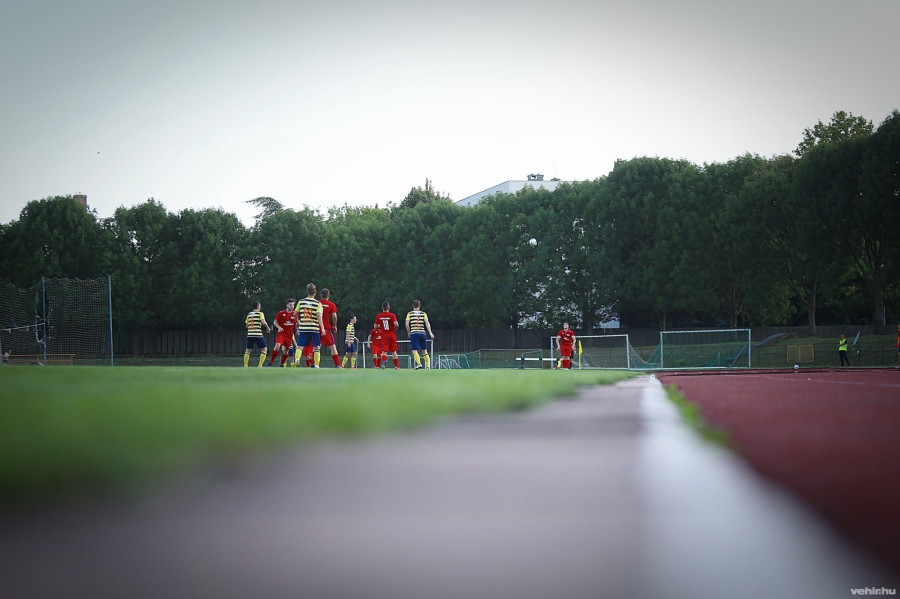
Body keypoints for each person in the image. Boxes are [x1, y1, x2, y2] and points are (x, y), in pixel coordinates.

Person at [294, 283, 326, 368]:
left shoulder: (301, 301)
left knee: (300, 346)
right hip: (314, 328)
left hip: (303, 327)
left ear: (307, 291)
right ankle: (317, 365)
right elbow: (319, 315)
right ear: (315, 292)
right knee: (317, 347)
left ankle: (297, 359)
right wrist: (322, 328)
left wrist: (297, 322)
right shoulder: (317, 303)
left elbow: (295, 313)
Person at [405, 299, 434, 370]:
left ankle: (419, 363)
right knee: (424, 350)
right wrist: (430, 332)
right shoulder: (423, 313)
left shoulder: (410, 314)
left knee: (414, 350)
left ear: (412, 305)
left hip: (414, 333)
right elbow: (427, 323)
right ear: (419, 306)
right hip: (422, 333)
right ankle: (428, 366)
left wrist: (409, 332)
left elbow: (406, 324)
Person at [268, 298, 297, 367]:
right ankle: (271, 362)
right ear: (287, 305)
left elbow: (297, 323)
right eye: (290, 305)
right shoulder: (281, 313)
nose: (292, 307)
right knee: (277, 346)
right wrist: (279, 327)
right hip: (282, 333)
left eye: (293, 305)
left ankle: (282, 363)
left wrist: (298, 328)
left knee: (286, 351)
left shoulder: (295, 314)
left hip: (289, 335)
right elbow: (275, 322)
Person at [319, 288, 343, 368]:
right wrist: (334, 325)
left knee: (316, 347)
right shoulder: (331, 304)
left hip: (316, 328)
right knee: (332, 346)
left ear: (321, 295)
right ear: (328, 295)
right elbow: (334, 316)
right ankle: (337, 365)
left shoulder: (317, 303)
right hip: (326, 328)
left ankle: (313, 364)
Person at [244, 301, 271, 367]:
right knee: (264, 349)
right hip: (258, 334)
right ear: (258, 307)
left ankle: (245, 365)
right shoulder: (260, 314)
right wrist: (268, 328)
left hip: (250, 334)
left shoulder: (249, 314)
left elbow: (247, 326)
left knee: (248, 350)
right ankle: (260, 365)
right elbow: (263, 322)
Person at [375, 301, 400, 369]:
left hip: (384, 336)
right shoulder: (392, 315)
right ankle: (396, 366)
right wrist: (396, 327)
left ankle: (385, 361)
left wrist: (381, 326)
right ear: (388, 307)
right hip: (392, 335)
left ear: (382, 308)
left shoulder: (379, 316)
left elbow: (375, 326)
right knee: (394, 351)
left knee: (384, 351)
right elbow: (396, 324)